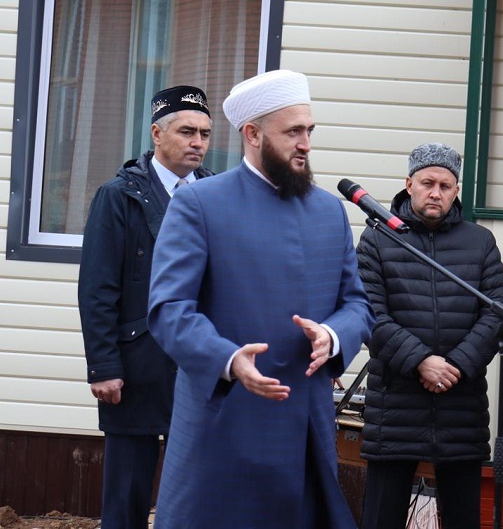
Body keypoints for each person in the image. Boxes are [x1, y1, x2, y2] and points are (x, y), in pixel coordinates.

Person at [147, 70, 374, 528]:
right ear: (252, 134)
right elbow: (169, 310)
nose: (305, 144)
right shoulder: (199, 204)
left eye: (309, 130)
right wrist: (229, 359)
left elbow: (357, 305)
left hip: (304, 425)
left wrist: (332, 336)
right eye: (293, 132)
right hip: (224, 423)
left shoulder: (329, 211)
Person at [78, 85, 213, 529]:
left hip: (200, 363)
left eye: (205, 134)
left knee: (197, 498)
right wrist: (103, 366)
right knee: (126, 497)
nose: (197, 142)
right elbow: (98, 288)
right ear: (157, 133)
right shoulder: (119, 196)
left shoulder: (217, 194)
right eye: (187, 131)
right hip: (136, 364)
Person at [356, 143, 503, 529]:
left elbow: (497, 313)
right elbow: (369, 314)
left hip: (461, 405)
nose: (436, 193)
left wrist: (455, 365)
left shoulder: (480, 241)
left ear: (456, 191)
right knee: (381, 517)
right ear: (410, 184)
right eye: (427, 183)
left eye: (445, 185)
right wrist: (421, 361)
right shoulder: (378, 239)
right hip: (395, 405)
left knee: (462, 517)